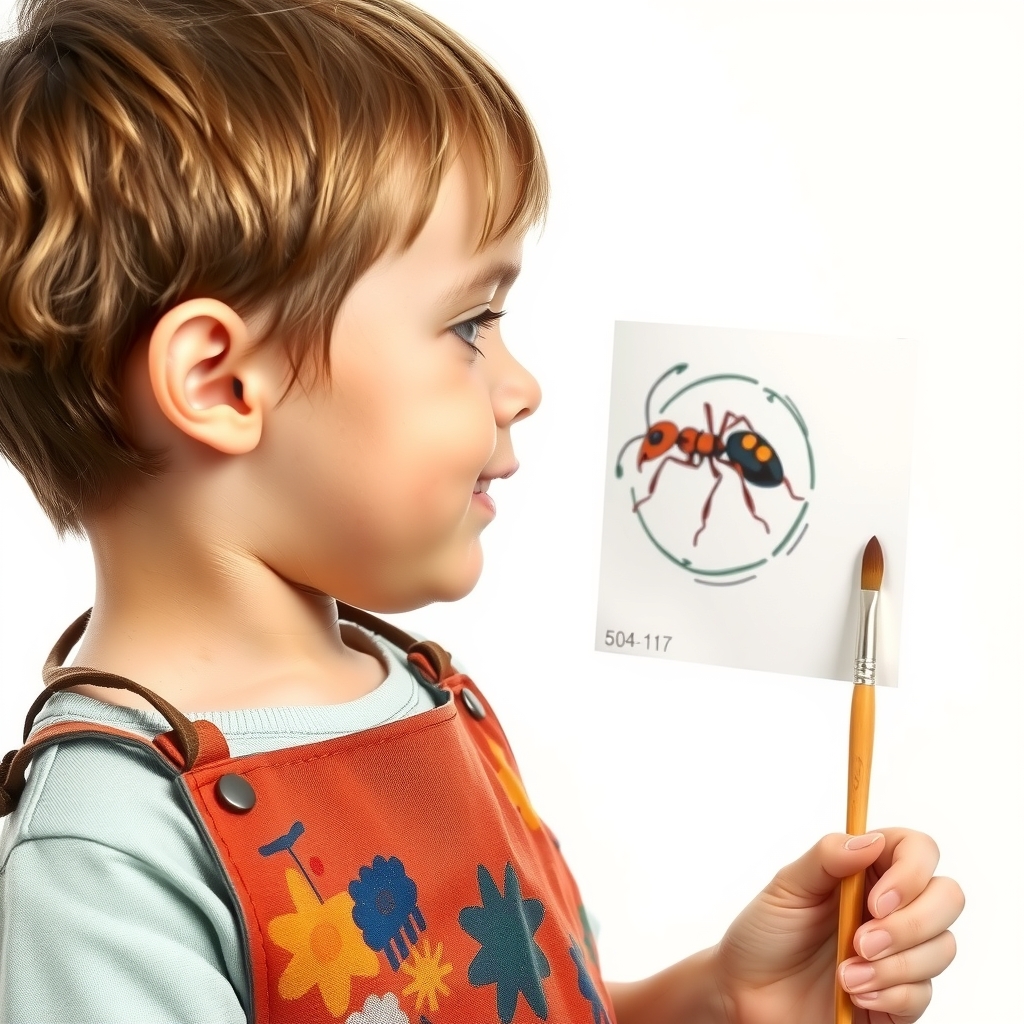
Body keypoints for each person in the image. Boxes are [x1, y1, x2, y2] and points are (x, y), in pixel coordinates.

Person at [0, 0, 962, 1021]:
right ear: (224, 383)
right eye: (469, 324)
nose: (522, 384)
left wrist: (724, 998)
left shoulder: (420, 694)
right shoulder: (110, 848)